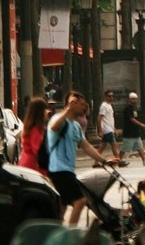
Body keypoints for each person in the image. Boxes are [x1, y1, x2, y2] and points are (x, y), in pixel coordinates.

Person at [48, 91, 117, 224]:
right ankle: (70, 236)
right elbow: (54, 127)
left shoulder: (75, 126)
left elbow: (86, 147)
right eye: (80, 104)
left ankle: (56, 233)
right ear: (71, 105)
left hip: (67, 170)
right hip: (58, 170)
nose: (84, 107)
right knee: (80, 201)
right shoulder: (58, 120)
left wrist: (104, 160)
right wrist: (68, 109)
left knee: (62, 208)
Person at [18, 96, 49, 175]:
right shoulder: (36, 129)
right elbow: (38, 150)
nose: (47, 112)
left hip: (25, 162)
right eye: (45, 109)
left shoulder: (28, 126)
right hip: (34, 166)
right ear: (40, 111)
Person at [97, 90, 124, 166]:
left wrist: (114, 128)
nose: (111, 97)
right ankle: (119, 161)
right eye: (109, 96)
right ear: (105, 96)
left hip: (109, 128)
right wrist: (100, 130)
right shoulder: (104, 106)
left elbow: (110, 118)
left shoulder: (109, 105)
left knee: (102, 146)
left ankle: (96, 162)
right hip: (106, 129)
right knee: (114, 145)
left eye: (112, 96)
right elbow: (100, 118)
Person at [123, 92, 145, 166]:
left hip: (135, 131)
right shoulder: (128, 109)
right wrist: (141, 124)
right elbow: (132, 119)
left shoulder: (134, 109)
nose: (134, 101)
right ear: (129, 99)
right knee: (124, 148)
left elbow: (135, 118)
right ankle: (119, 160)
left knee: (139, 146)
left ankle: (144, 160)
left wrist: (141, 124)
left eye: (135, 99)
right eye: (133, 99)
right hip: (129, 132)